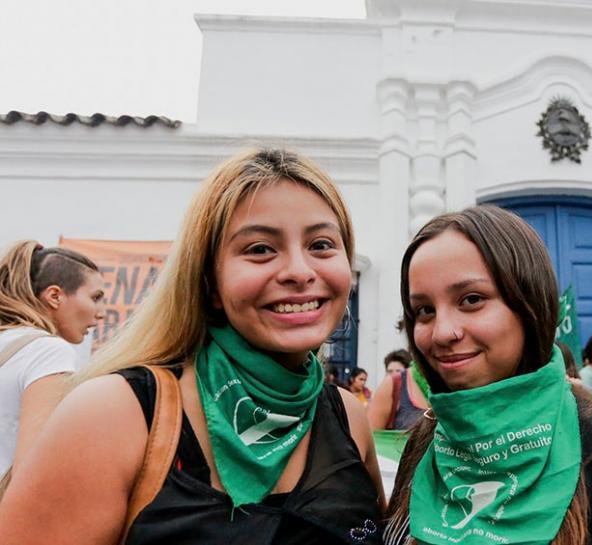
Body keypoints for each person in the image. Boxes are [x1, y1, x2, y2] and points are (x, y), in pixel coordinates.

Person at [0, 149, 385, 544]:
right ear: (209, 283)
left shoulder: (348, 419)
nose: (300, 272)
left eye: (321, 244)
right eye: (259, 249)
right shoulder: (116, 413)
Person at [383, 205, 592, 545]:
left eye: (471, 299)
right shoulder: (426, 442)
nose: (442, 332)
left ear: (530, 304)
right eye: (424, 310)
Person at [0, 242, 105, 484]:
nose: (101, 313)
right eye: (95, 297)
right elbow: (33, 470)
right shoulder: (47, 351)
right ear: (55, 296)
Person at [367, 350, 429, 431]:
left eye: (398, 371)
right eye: (390, 371)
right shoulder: (389, 387)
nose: (394, 374)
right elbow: (371, 435)